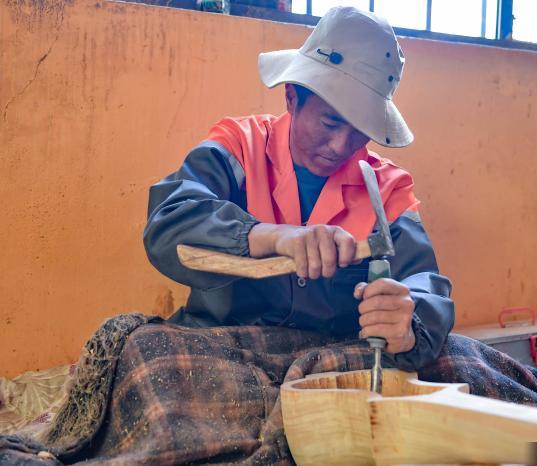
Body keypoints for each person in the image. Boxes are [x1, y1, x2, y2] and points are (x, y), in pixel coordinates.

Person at [143, 6, 454, 371]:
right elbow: (169, 223)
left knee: (459, 360)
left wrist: (408, 325)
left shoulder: (387, 190)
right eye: (330, 123)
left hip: (331, 357)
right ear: (291, 98)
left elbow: (423, 283)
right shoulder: (239, 146)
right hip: (224, 348)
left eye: (359, 131)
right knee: (143, 352)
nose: (340, 146)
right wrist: (275, 237)